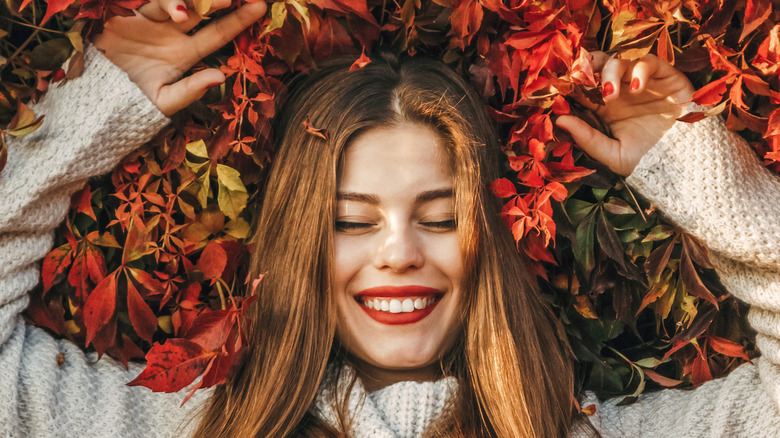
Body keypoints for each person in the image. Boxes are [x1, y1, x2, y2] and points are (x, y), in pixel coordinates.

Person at [1, 2, 779, 438]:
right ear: (301, 241)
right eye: (350, 222)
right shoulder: (186, 431)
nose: (399, 252)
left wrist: (691, 169)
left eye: (440, 218)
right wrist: (92, 109)